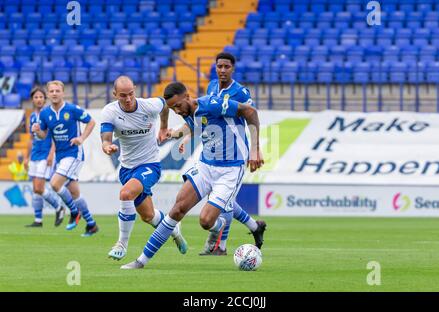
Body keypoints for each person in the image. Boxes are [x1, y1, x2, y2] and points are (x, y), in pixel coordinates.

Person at [120, 81, 264, 269]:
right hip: (206, 165)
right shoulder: (188, 112)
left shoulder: (212, 104)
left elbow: (250, 112)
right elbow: (194, 126)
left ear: (188, 97)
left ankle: (218, 226)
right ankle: (141, 261)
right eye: (172, 109)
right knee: (177, 210)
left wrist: (255, 149)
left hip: (230, 169)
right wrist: (173, 135)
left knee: (205, 221)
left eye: (178, 106)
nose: (177, 111)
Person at [100, 76, 188, 261]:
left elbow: (165, 105)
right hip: (127, 169)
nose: (128, 98)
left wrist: (163, 127)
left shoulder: (149, 105)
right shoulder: (109, 112)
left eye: (131, 93)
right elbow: (106, 138)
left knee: (125, 194)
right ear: (115, 95)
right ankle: (174, 229)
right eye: (123, 95)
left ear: (135, 90)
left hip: (150, 165)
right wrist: (107, 146)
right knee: (148, 216)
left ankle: (121, 245)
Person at [31, 80, 99, 237]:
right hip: (60, 156)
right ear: (48, 94)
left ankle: (74, 212)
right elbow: (43, 135)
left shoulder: (72, 109)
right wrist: (37, 131)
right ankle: (91, 224)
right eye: (52, 91)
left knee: (54, 183)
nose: (54, 93)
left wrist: (81, 138)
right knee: (75, 193)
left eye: (57, 91)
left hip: (74, 153)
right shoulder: (45, 113)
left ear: (63, 93)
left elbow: (91, 122)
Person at [24, 86, 64, 227]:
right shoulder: (31, 117)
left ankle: (58, 206)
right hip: (34, 155)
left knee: (39, 187)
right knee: (35, 188)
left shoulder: (48, 114)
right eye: (36, 97)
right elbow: (31, 138)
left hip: (45, 155)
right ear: (33, 100)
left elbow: (54, 136)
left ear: (44, 98)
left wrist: (51, 154)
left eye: (41, 97)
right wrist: (26, 157)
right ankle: (38, 220)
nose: (39, 99)